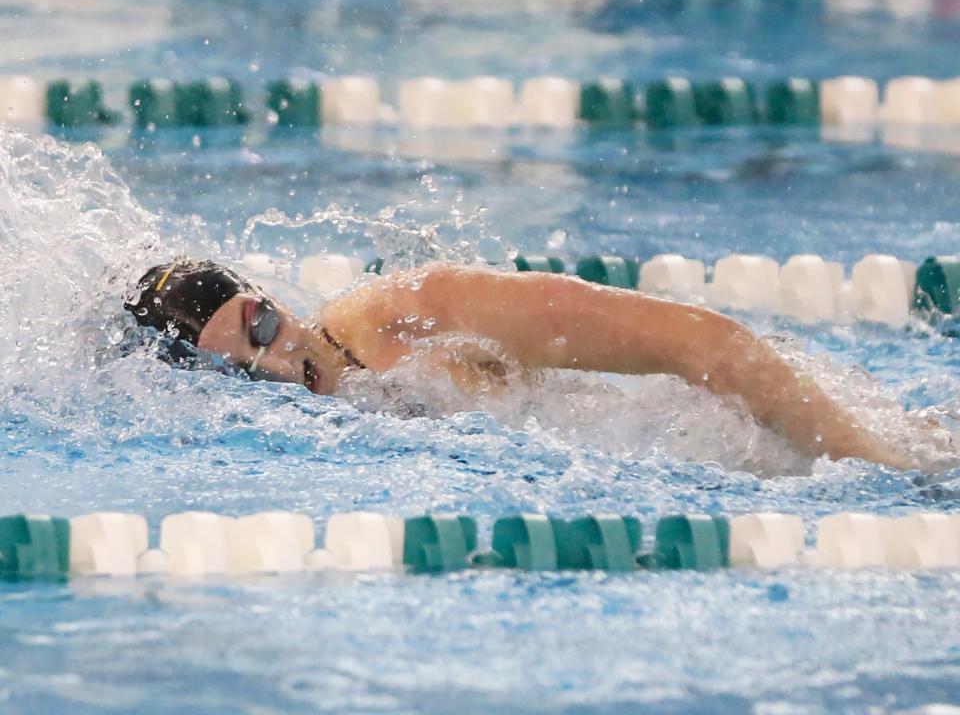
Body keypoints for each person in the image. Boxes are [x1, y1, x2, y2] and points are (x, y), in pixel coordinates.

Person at [126, 258, 918, 470]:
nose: (274, 362)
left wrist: (871, 461)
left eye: (262, 323)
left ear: (270, 297)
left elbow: (705, 341)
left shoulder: (416, 311)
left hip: (753, 450)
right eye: (238, 366)